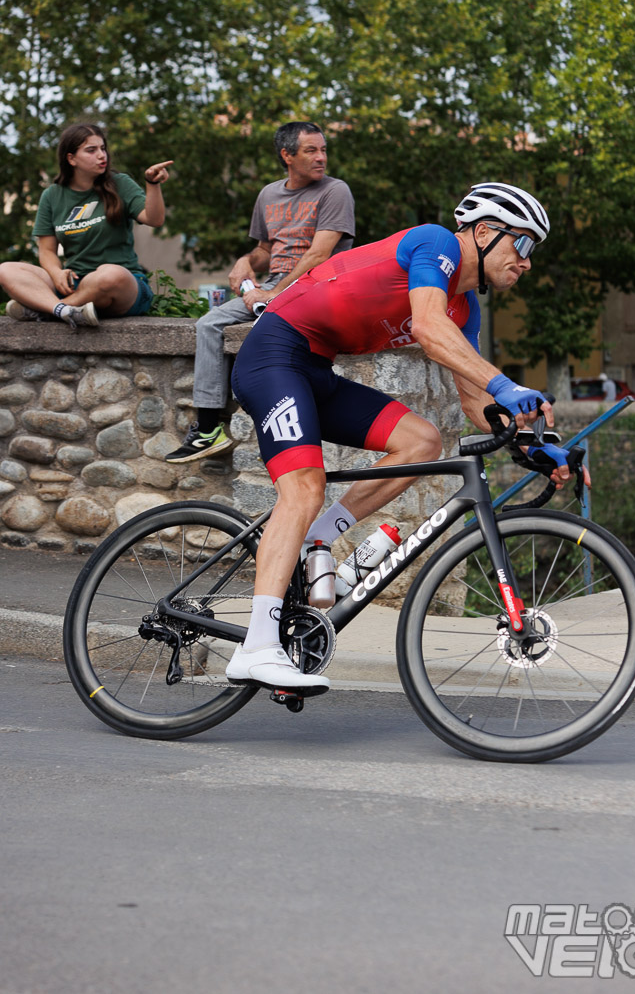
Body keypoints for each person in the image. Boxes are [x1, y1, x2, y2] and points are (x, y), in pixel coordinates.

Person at [224, 181, 591, 694]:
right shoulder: (435, 242)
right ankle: (256, 647)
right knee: (303, 488)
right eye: (523, 244)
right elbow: (426, 327)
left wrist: (535, 446)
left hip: (315, 369)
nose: (527, 261)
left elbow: (474, 404)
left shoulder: (467, 309)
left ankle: (318, 536)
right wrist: (506, 385)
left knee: (421, 442)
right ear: (484, 232)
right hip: (273, 356)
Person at [164, 121, 355, 463]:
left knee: (263, 335)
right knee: (209, 324)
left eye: (323, 150)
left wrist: (274, 294)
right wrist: (245, 261)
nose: (321, 158)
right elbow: (266, 249)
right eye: (311, 150)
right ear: (287, 155)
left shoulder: (334, 191)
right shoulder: (269, 194)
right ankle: (208, 429)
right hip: (272, 286)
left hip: (316, 285)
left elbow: (318, 254)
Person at [0, 122, 171, 328]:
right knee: (6, 270)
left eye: (102, 148)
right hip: (74, 283)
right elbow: (46, 251)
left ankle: (50, 310)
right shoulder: (52, 195)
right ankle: (67, 310)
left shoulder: (120, 183)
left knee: (109, 274)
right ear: (71, 159)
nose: (102, 155)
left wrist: (152, 185)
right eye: (91, 150)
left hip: (123, 287)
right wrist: (56, 274)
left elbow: (154, 219)